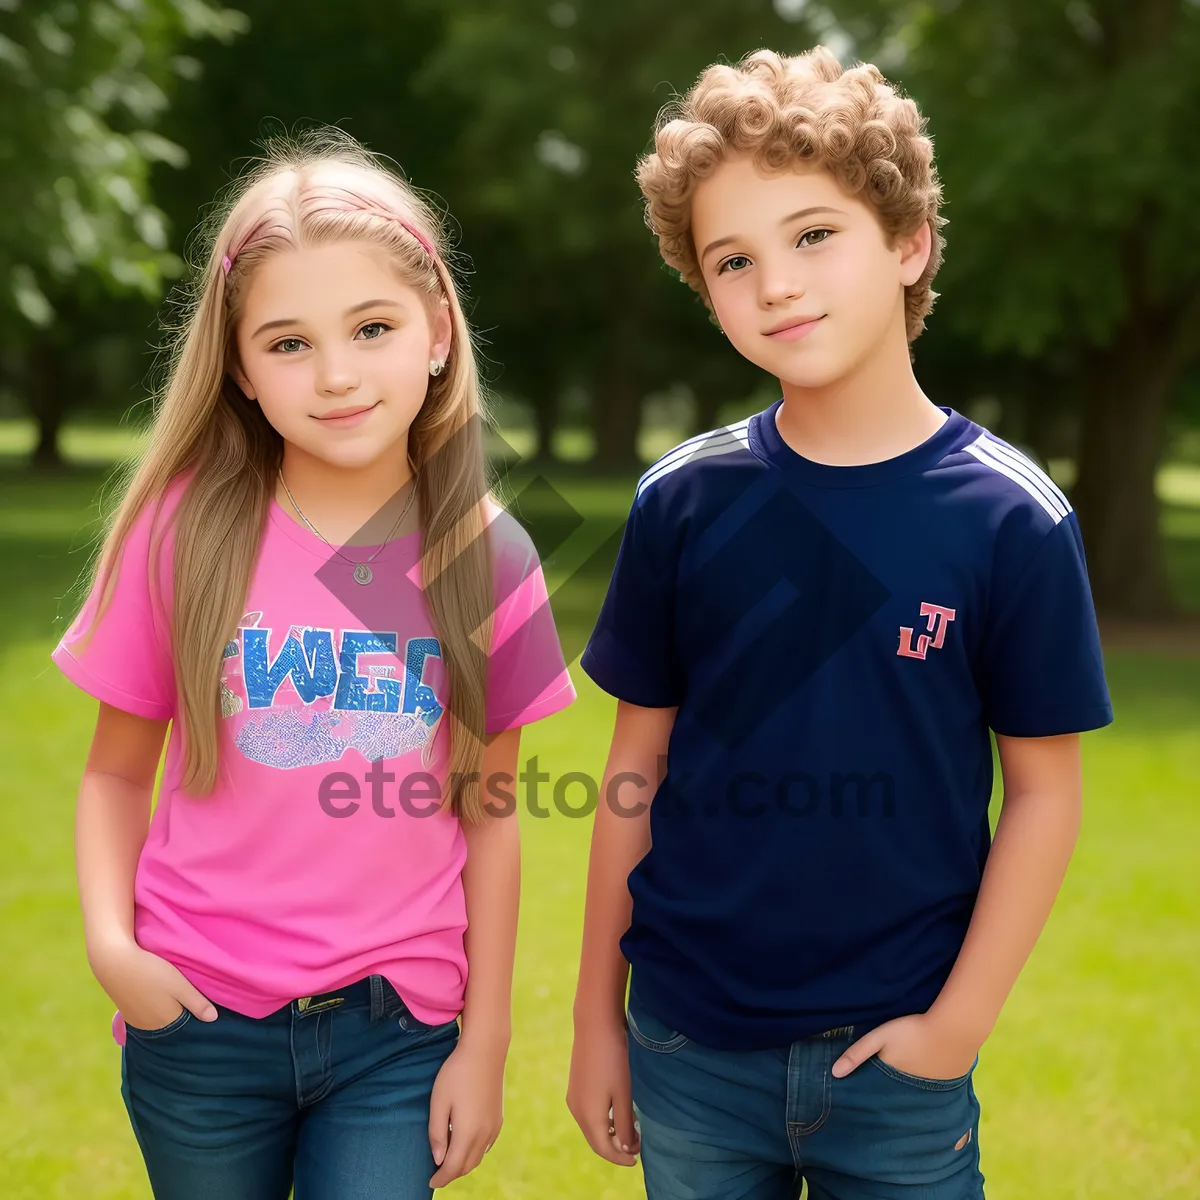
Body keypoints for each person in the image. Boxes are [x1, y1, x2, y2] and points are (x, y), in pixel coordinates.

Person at [567, 46, 1112, 1200]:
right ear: (704, 287)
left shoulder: (1012, 519)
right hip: (687, 1050)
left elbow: (1046, 794)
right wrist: (595, 1025)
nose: (777, 284)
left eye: (814, 236)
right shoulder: (685, 501)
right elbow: (634, 771)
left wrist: (954, 1032)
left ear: (908, 242)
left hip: (899, 1064)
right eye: (734, 259)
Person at [52, 130, 575, 1199]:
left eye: (372, 328)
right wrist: (115, 949)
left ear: (435, 332)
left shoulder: (490, 559)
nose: (336, 375)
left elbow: (491, 814)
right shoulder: (182, 536)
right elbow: (113, 775)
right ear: (240, 369)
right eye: (288, 343)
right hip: (196, 1020)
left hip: (397, 1030)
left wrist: (485, 1044)